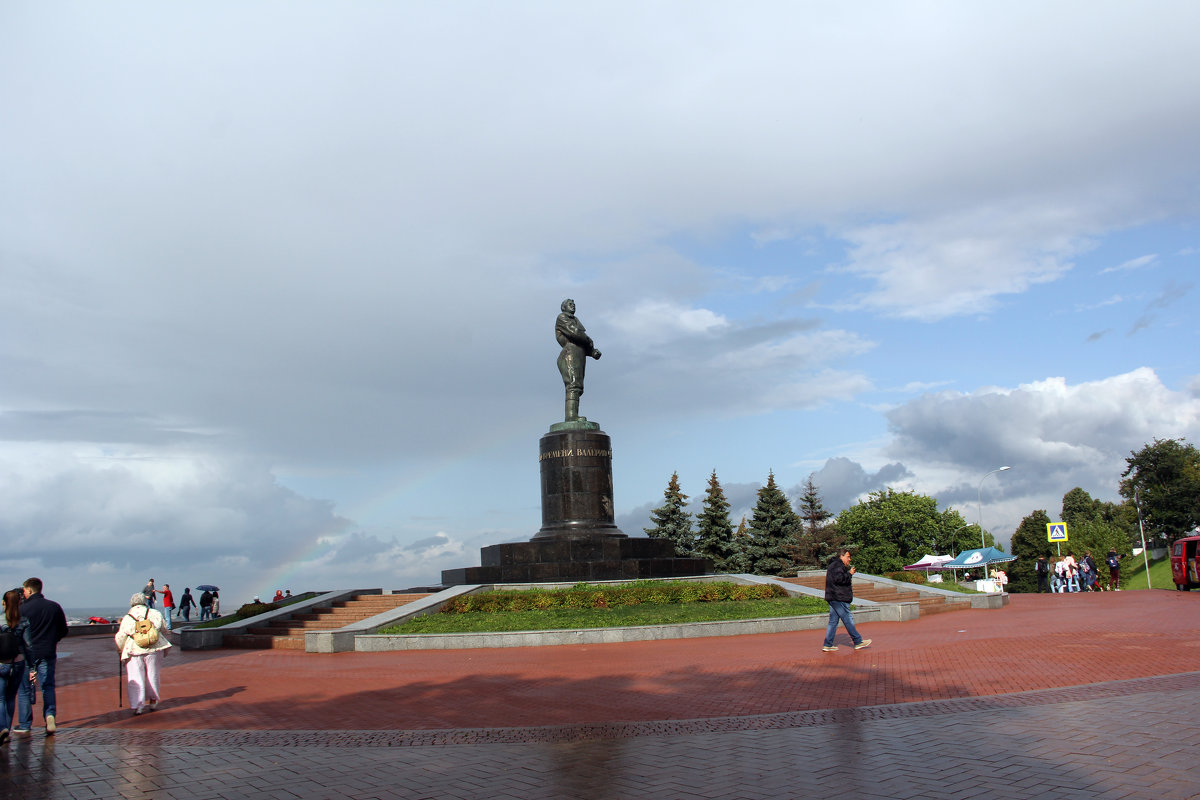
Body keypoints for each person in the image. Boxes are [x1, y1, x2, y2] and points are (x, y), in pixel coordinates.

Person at [20, 577, 67, 736]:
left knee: (25, 689)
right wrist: (53, 639)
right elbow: (63, 630)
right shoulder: (54, 607)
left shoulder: (23, 609)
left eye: (25, 590)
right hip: (47, 651)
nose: (24, 593)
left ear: (30, 590)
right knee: (47, 685)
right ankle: (50, 715)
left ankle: (25, 723)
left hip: (28, 654)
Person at [115, 592, 172, 715]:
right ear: (144, 602)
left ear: (132, 603)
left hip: (134, 650)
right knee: (153, 675)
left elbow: (120, 636)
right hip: (154, 648)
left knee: (136, 677)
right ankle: (153, 700)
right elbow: (165, 628)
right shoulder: (154, 613)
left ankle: (138, 705)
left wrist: (120, 649)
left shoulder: (127, 617)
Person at [555, 298, 602, 422]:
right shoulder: (562, 317)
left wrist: (592, 352)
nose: (573, 306)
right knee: (573, 385)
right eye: (570, 304)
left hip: (578, 354)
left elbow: (580, 342)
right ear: (564, 307)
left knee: (578, 387)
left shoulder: (575, 320)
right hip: (569, 354)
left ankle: (573, 415)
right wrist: (588, 340)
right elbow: (574, 333)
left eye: (574, 304)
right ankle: (571, 416)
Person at [1, 589, 34, 744]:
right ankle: (7, 727)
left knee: (0, 697)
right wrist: (32, 666)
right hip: (19, 661)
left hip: (2, 662)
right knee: (11, 697)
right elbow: (28, 645)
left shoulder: (0, 620)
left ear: (4, 603)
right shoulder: (24, 621)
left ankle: (2, 728)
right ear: (19, 602)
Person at [822, 549, 871, 652]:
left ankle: (828, 644)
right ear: (841, 556)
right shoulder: (838, 565)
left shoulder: (834, 565)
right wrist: (849, 574)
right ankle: (858, 641)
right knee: (847, 618)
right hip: (839, 597)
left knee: (833, 621)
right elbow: (839, 579)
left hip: (833, 597)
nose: (849, 559)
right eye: (848, 557)